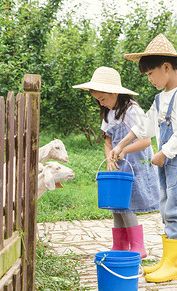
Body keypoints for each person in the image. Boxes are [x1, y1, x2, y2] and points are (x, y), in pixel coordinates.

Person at [109, 34, 177, 283]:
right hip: (170, 165)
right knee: (167, 210)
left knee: (176, 212)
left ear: (166, 67)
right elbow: (144, 126)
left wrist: (164, 152)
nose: (150, 79)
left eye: (151, 73)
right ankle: (166, 260)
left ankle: (174, 266)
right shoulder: (159, 98)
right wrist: (120, 144)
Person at [73, 66, 159, 258]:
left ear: (113, 93)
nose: (101, 104)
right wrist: (109, 157)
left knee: (127, 203)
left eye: (103, 99)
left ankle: (138, 246)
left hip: (134, 163)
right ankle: (119, 245)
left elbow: (145, 140)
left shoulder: (132, 110)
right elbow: (108, 140)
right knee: (116, 203)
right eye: (98, 101)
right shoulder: (109, 112)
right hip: (119, 163)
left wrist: (124, 149)